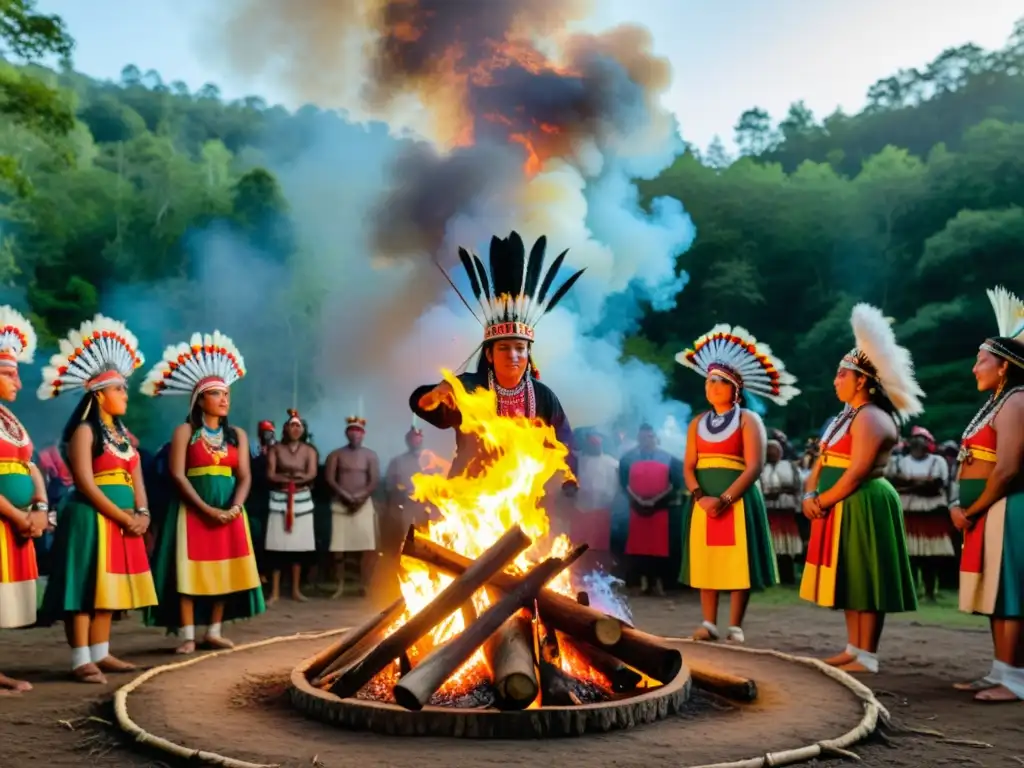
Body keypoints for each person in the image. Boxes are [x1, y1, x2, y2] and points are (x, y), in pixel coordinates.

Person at [799, 304, 920, 673]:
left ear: (863, 380)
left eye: (842, 374)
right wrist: (809, 494)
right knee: (851, 574)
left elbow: (857, 472)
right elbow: (820, 460)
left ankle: (867, 655)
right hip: (839, 503)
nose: (836, 380)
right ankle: (854, 647)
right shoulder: (844, 417)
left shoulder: (871, 417)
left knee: (866, 574)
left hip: (863, 501)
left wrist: (821, 500)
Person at [410, 231, 580, 490]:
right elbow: (429, 408)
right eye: (504, 348)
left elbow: (564, 441)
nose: (513, 355)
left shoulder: (543, 397)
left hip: (526, 495)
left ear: (528, 354)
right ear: (489, 354)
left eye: (520, 348)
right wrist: (433, 395)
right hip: (470, 496)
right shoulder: (468, 388)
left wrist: (568, 480)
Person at [37, 314, 157, 684]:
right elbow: (86, 485)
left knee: (108, 587)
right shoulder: (84, 432)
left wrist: (143, 512)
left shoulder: (123, 437)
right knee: (83, 585)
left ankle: (101, 653)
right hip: (89, 517)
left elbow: (136, 474)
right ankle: (79, 659)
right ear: (99, 394)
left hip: (121, 518)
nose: (125, 394)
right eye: (119, 389)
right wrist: (123, 518)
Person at [140, 332, 265, 652]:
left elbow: (245, 477)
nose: (225, 399)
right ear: (200, 400)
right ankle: (187, 636)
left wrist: (235, 508)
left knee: (222, 569)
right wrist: (206, 510)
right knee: (189, 570)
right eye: (216, 394)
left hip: (229, 510)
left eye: (226, 393)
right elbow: (178, 475)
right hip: (191, 510)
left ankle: (213, 630)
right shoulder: (185, 431)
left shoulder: (237, 435)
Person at [676, 324, 798, 641]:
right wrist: (701, 496)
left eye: (720, 381)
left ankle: (734, 625)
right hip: (704, 500)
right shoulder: (697, 423)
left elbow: (755, 466)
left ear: (735, 389)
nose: (712, 386)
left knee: (737, 561)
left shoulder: (748, 420)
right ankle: (708, 623)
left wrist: (725, 499)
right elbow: (689, 466)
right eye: (709, 381)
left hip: (738, 499)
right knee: (707, 561)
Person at [952, 285, 1024, 703]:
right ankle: (1002, 670)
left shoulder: (1016, 401)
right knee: (997, 594)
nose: (974, 368)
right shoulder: (1001, 401)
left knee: (1012, 594)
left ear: (1004, 367)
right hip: (988, 511)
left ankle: (1015, 678)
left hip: (1007, 508)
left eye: (981, 360)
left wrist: (973, 509)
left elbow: (1009, 468)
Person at [0, 307, 48, 693]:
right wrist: (16, 514)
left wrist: (40, 507)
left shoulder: (10, 420)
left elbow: (30, 467)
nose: (18, 380)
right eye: (9, 373)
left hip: (17, 520)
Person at [885, 425, 954, 601]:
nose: (919, 444)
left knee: (931, 555)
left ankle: (930, 591)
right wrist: (921, 483)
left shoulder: (937, 462)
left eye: (922, 441)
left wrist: (909, 483)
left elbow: (937, 484)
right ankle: (911, 590)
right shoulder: (900, 462)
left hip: (931, 513)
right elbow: (894, 481)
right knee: (909, 555)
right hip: (908, 512)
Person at [618, 424, 682, 596]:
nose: (647, 440)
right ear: (638, 438)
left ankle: (658, 583)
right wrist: (637, 499)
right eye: (643, 437)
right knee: (638, 548)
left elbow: (675, 484)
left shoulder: (670, 459)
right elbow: (624, 484)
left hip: (660, 509)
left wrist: (655, 500)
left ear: (656, 438)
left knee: (659, 548)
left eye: (650, 437)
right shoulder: (628, 459)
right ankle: (641, 582)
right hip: (636, 509)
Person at [265, 409, 317, 603]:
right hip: (279, 499)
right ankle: (275, 592)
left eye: (298, 425)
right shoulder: (275, 449)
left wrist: (295, 479)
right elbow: (270, 474)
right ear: (285, 429)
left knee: (298, 547)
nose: (295, 429)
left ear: (303, 430)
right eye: (291, 425)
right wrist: (290, 479)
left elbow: (311, 473)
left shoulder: (309, 451)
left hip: (302, 500)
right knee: (277, 546)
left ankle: (295, 590)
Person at [324, 414, 380, 598]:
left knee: (367, 547)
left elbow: (373, 481)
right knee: (338, 548)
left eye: (359, 431)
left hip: (363, 504)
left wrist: (359, 496)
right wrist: (346, 496)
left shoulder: (371, 455)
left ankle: (364, 585)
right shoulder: (336, 454)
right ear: (347, 433)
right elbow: (330, 479)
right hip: (341, 504)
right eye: (352, 430)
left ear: (363, 434)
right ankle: (339, 585)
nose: (356, 434)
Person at [571, 431, 619, 569]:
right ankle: (576, 568)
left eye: (597, 445)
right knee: (577, 543)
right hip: (581, 507)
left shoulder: (612, 463)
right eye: (592, 444)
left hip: (601, 509)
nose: (595, 447)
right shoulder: (579, 459)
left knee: (598, 544)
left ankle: (598, 569)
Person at [760, 438, 804, 584]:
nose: (772, 453)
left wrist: (785, 492)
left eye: (775, 450)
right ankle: (771, 576)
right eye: (769, 450)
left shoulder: (789, 466)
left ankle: (787, 577)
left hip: (787, 511)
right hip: (769, 512)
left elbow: (799, 487)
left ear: (781, 452)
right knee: (771, 544)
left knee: (787, 544)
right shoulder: (760, 468)